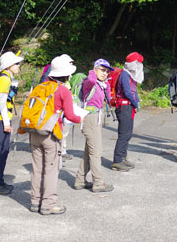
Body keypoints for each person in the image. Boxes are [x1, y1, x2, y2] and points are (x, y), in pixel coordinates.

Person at [29, 56, 82, 215]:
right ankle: (49, 204)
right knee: (51, 169)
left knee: (37, 168)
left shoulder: (40, 87)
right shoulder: (63, 90)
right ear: (65, 75)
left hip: (34, 132)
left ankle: (35, 201)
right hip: (51, 134)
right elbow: (71, 116)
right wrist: (82, 118)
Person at [74, 59, 114, 193]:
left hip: (96, 117)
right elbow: (91, 80)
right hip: (90, 118)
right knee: (96, 152)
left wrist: (106, 83)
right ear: (95, 69)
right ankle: (98, 183)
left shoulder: (101, 84)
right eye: (103, 70)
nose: (105, 73)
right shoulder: (89, 83)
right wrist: (93, 71)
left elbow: (108, 98)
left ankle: (80, 180)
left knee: (88, 151)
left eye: (107, 71)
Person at [0, 51, 23, 194]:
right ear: (9, 66)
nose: (18, 66)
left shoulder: (6, 77)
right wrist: (7, 123)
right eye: (16, 64)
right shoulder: (5, 80)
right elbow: (2, 103)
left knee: (3, 151)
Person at [112, 52, 144, 172]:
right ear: (133, 64)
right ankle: (117, 161)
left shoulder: (131, 75)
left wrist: (137, 102)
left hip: (129, 107)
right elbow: (127, 91)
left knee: (128, 133)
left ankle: (123, 157)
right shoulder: (125, 75)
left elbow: (133, 91)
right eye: (138, 63)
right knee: (124, 134)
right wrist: (135, 103)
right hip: (124, 107)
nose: (140, 65)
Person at [39, 54, 75, 161]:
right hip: (55, 109)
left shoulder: (49, 76)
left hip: (49, 111)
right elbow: (71, 115)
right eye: (70, 63)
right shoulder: (60, 86)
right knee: (58, 129)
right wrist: (79, 118)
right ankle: (59, 152)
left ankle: (59, 151)